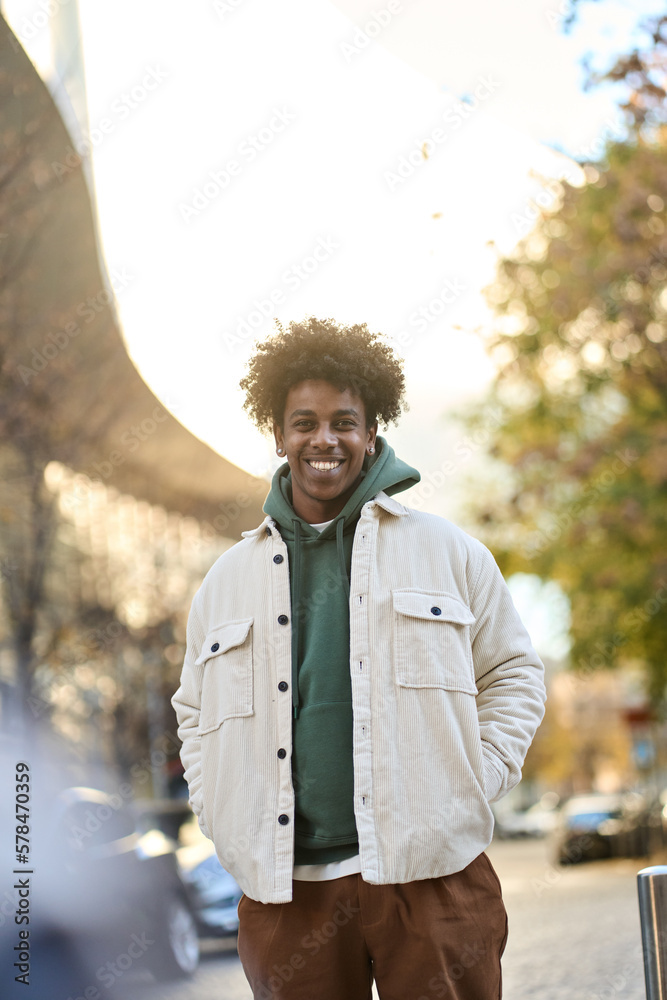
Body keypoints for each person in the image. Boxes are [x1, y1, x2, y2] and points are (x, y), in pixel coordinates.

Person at [171, 317, 546, 1000]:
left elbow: (512, 673)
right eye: (303, 422)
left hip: (432, 876)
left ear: (371, 432)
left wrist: (475, 774)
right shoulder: (226, 579)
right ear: (279, 435)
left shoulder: (447, 551)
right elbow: (193, 713)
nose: (324, 439)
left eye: (344, 421)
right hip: (287, 897)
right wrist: (219, 810)